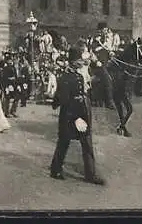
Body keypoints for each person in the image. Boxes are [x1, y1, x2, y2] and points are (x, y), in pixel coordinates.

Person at [50, 45, 105, 186]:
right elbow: (64, 100)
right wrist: (75, 117)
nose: (82, 62)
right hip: (70, 115)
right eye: (80, 60)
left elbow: (94, 78)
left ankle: (90, 174)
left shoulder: (79, 75)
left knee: (86, 143)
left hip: (81, 113)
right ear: (74, 62)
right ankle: (55, 169)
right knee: (64, 142)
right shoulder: (65, 78)